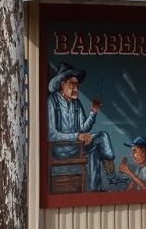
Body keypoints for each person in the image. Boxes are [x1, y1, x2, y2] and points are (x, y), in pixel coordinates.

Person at [47, 63, 117, 192]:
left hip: (76, 146)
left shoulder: (76, 103)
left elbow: (84, 128)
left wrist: (93, 112)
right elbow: (51, 135)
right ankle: (105, 171)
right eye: (72, 85)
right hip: (60, 150)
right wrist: (76, 136)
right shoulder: (52, 102)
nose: (76, 88)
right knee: (94, 148)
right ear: (63, 85)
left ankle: (101, 179)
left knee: (101, 138)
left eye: (77, 85)